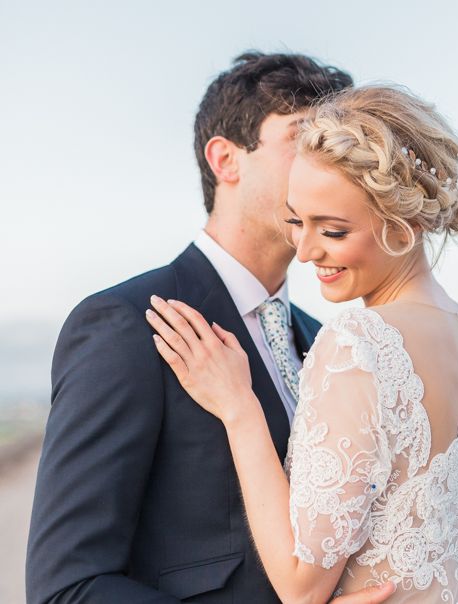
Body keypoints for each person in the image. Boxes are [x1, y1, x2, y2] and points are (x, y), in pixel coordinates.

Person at [26, 52, 396, 604]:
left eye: (336, 146)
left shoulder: (325, 342)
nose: (329, 168)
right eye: (303, 139)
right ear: (226, 159)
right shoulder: (126, 326)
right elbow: (68, 589)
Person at [146, 85, 458, 603]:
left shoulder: (358, 342)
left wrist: (239, 409)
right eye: (298, 222)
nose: (305, 251)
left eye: (334, 230)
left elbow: (302, 586)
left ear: (405, 222)